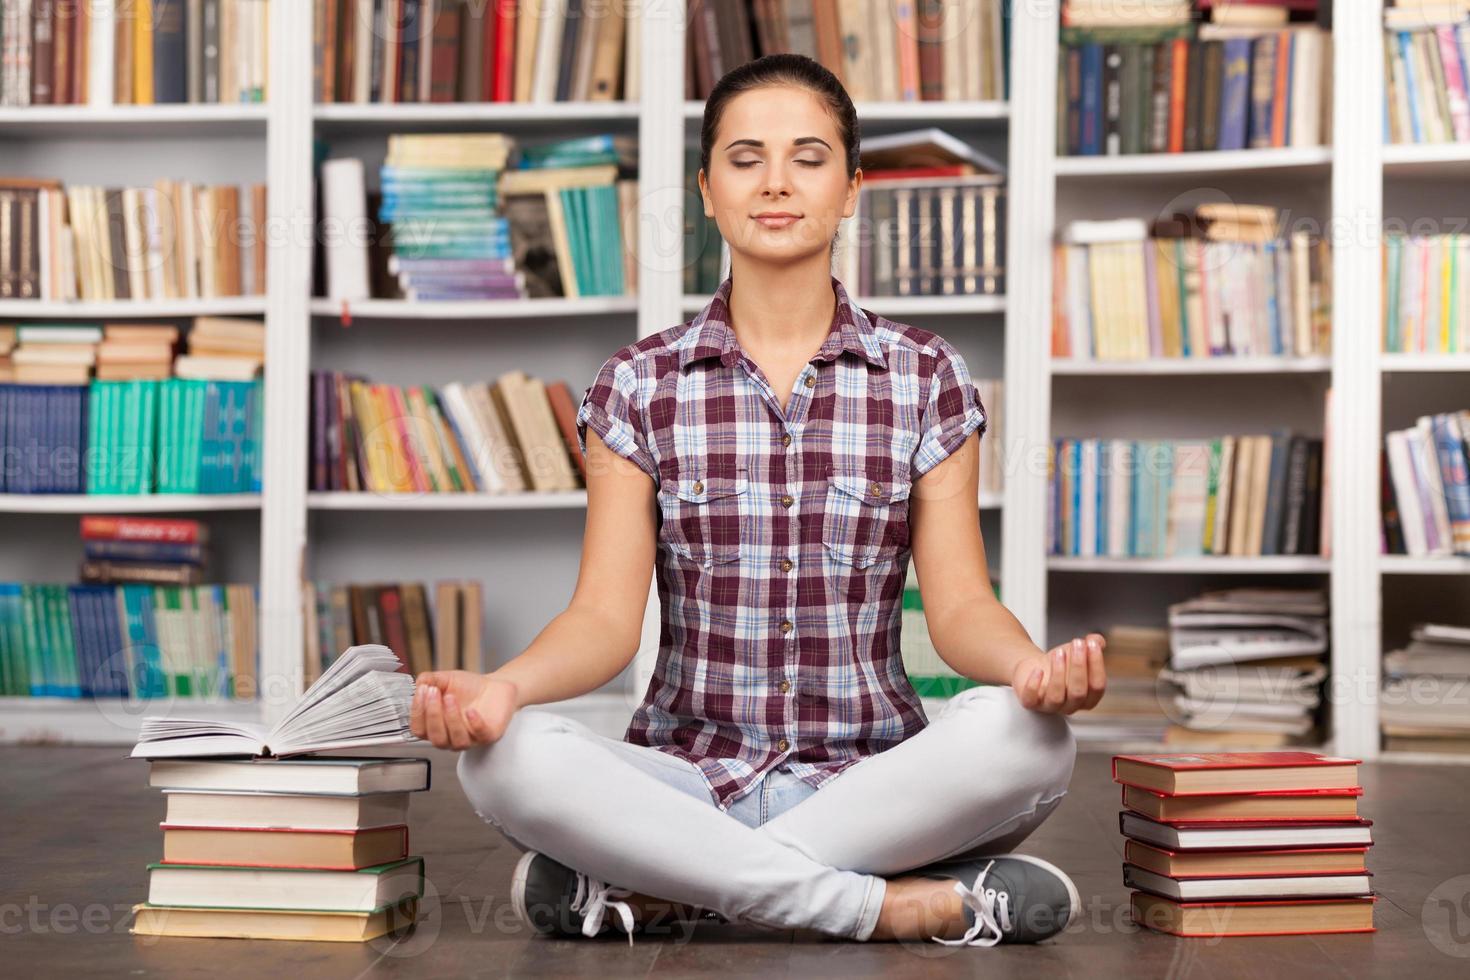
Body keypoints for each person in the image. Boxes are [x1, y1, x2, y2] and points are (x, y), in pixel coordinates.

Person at [410, 53, 1108, 948]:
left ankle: (670, 886)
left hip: (874, 785)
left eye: (808, 157)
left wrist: (1030, 673)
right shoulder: (637, 384)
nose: (776, 182)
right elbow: (602, 621)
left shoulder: (925, 375)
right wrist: (500, 692)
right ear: (707, 188)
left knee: (1033, 740)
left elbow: (963, 605)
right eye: (745, 158)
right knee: (502, 762)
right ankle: (881, 904)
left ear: (852, 186)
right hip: (685, 778)